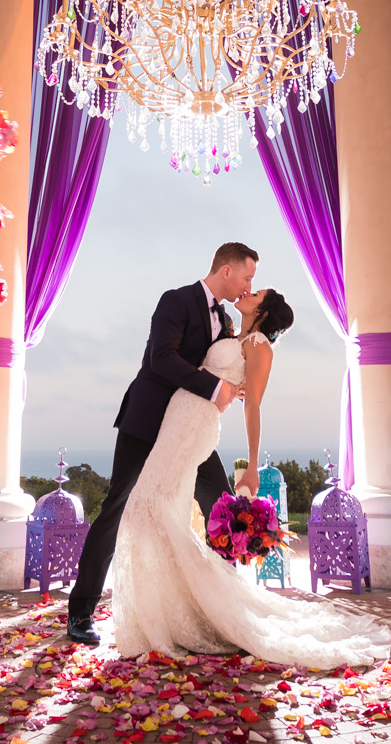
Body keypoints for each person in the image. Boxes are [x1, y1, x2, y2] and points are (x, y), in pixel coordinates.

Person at [64, 243, 254, 645]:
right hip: (149, 421)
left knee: (221, 504)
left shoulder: (225, 318)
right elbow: (161, 360)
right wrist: (216, 386)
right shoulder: (176, 300)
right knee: (116, 506)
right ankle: (80, 612)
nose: (248, 284)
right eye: (247, 276)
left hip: (189, 430)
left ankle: (226, 608)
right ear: (225, 272)